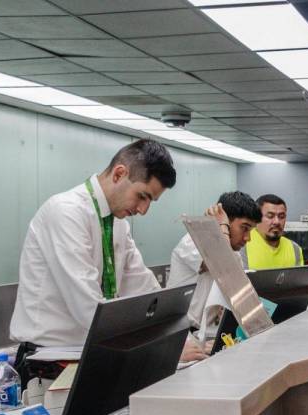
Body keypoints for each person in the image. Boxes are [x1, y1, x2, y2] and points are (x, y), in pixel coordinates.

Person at [10, 139, 200, 374]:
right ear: (120, 173)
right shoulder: (66, 212)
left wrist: (179, 334)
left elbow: (143, 286)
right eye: (142, 196)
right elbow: (88, 307)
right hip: (50, 360)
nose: (143, 210)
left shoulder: (117, 224)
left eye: (151, 201)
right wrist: (160, 347)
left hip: (90, 355)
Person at [169, 192, 262, 335]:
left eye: (250, 230)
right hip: (182, 333)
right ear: (223, 219)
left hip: (208, 332)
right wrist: (222, 227)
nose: (248, 238)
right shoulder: (192, 241)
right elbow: (220, 262)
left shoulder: (234, 255)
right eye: (244, 228)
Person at [240, 194, 303, 270]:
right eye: (270, 216)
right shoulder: (242, 245)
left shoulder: (295, 249)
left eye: (281, 216)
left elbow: (299, 280)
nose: (277, 222)